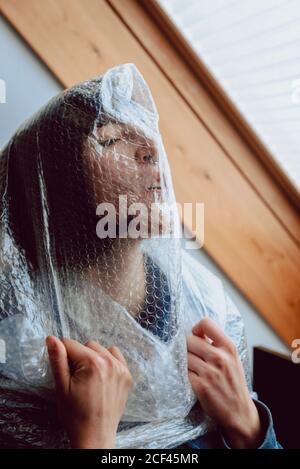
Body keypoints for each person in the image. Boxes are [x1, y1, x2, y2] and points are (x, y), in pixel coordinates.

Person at [0, 63, 281, 449]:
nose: (151, 149)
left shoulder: (207, 311)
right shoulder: (20, 356)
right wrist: (93, 439)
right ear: (54, 191)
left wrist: (250, 429)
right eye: (113, 140)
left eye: (145, 135)